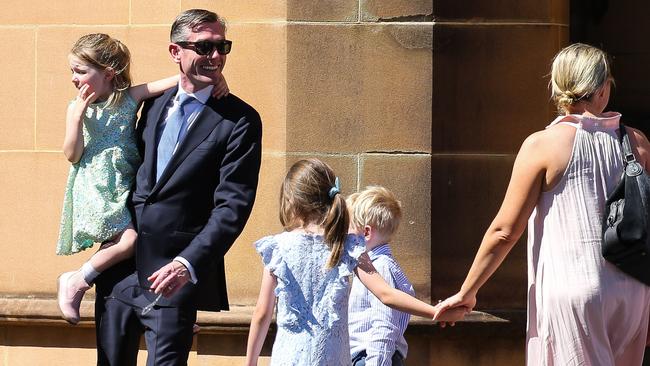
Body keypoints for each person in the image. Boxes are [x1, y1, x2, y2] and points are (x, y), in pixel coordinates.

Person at [434, 43, 650, 365]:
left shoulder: (542, 145)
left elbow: (505, 231)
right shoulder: (639, 143)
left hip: (574, 291)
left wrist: (467, 292)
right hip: (634, 294)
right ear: (604, 89)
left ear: (557, 87)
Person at [94, 9, 262, 365]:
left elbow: (232, 207)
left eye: (222, 47)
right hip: (119, 271)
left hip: (173, 278)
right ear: (176, 52)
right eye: (204, 48)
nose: (216, 56)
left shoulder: (240, 120)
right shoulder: (151, 105)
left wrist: (188, 264)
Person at [55, 33, 229, 325]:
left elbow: (175, 81)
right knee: (130, 241)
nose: (74, 78)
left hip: (125, 185)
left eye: (81, 71)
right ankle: (76, 281)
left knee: (136, 237)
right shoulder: (77, 109)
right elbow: (72, 154)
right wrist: (76, 119)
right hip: (97, 188)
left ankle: (166, 307)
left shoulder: (127, 99)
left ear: (108, 73)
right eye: (72, 70)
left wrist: (215, 80)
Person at [244, 159, 466, 366]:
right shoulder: (346, 246)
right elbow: (386, 294)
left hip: (289, 358)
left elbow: (262, 314)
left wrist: (250, 363)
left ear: (290, 200)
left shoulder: (277, 248)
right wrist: (435, 311)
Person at [347, 186, 413, 366]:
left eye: (348, 228)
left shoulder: (380, 267)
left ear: (366, 232)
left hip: (369, 358)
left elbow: (384, 326)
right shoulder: (369, 266)